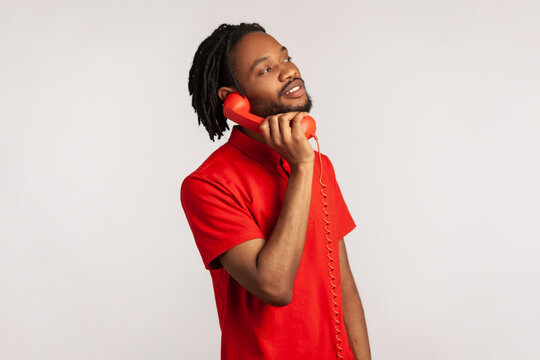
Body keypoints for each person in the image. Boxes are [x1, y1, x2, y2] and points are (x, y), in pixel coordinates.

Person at [180, 23, 371, 359]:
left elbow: (345, 288)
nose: (289, 71)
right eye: (266, 69)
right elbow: (274, 286)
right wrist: (301, 169)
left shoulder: (318, 165)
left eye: (286, 58)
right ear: (233, 100)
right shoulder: (207, 185)